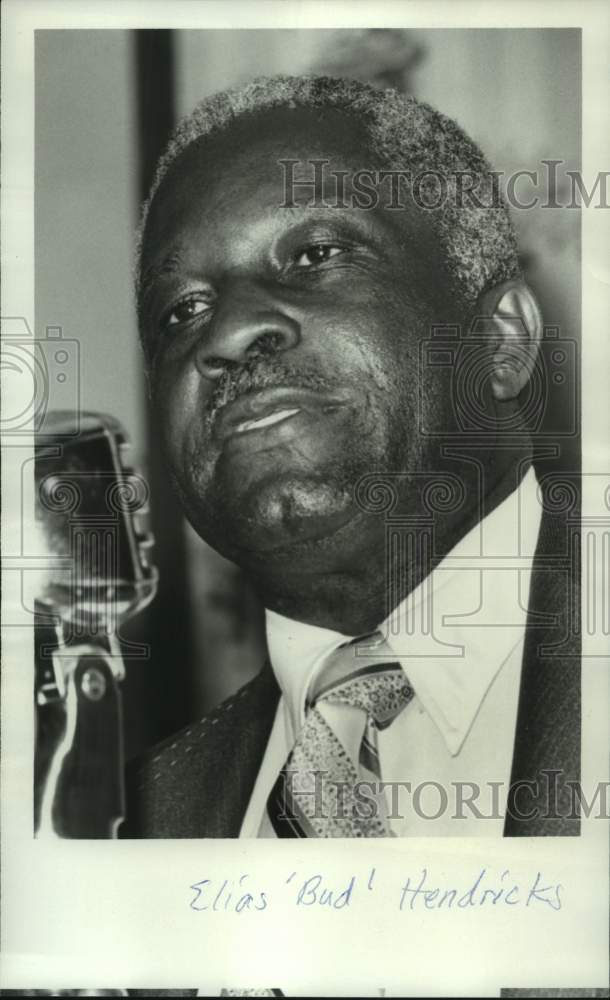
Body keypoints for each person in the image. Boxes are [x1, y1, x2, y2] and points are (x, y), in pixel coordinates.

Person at [122, 75, 580, 839]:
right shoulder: (131, 826)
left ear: (502, 338)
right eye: (182, 311)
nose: (225, 332)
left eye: (315, 254)